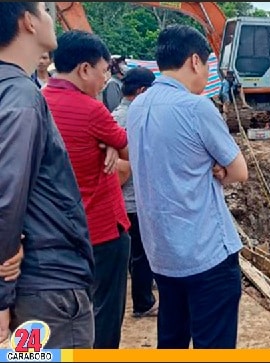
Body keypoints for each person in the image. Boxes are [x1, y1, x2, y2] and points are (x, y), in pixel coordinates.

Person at [127, 24, 249, 349]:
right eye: (208, 64)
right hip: (205, 253)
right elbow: (239, 170)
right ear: (195, 61)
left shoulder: (137, 107)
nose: (207, 73)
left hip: (163, 254)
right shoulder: (196, 107)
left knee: (172, 340)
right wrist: (218, 168)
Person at [0, 2, 94, 348]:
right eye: (43, 9)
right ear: (27, 23)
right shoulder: (22, 98)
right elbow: (6, 197)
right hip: (45, 288)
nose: (50, 15)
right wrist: (2, 297)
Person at [43, 30, 131, 349]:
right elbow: (128, 149)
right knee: (105, 314)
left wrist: (108, 143)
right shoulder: (92, 110)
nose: (106, 78)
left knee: (71, 316)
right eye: (104, 70)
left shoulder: (39, 99)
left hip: (58, 235)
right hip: (103, 231)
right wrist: (111, 143)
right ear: (84, 69)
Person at [111, 67, 159, 319]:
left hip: (120, 200)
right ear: (141, 91)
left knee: (133, 251)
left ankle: (144, 287)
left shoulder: (113, 115)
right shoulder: (136, 118)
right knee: (143, 252)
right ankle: (143, 303)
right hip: (136, 198)